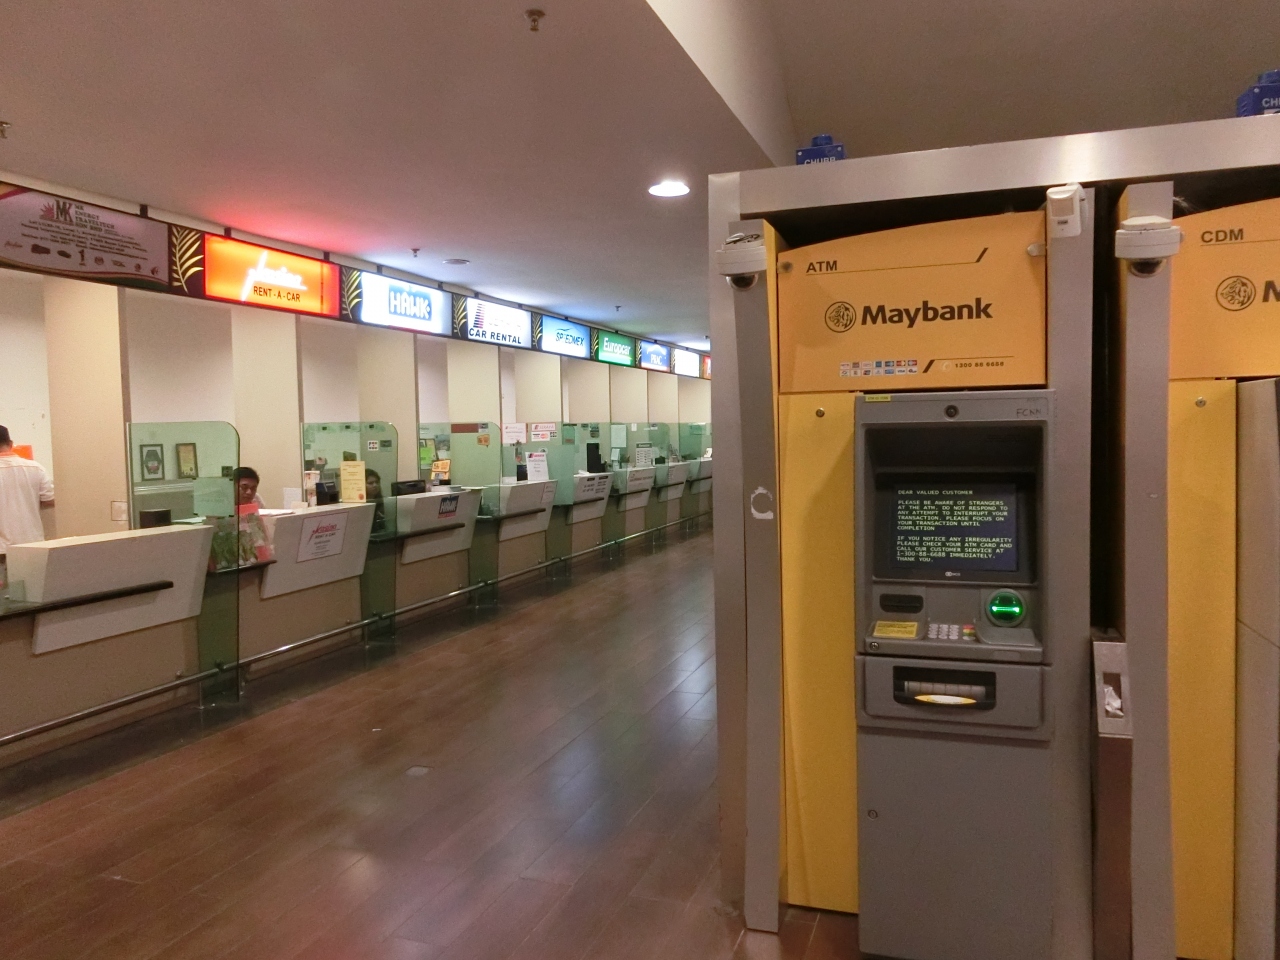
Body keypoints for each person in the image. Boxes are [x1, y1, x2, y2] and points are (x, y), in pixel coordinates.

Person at [0, 425, 55, 587]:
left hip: (1, 550)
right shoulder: (35, 468)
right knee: (30, 594)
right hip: (31, 545)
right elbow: (50, 499)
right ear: (11, 444)